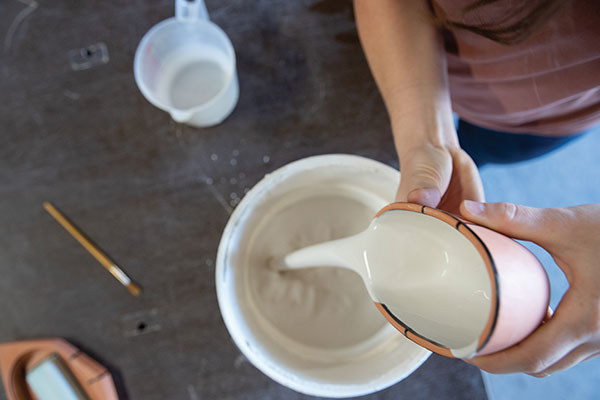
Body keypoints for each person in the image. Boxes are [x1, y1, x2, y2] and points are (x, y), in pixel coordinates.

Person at [354, 0, 600, 377]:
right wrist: (430, 137)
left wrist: (437, 146)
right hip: (416, 60)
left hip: (543, 120)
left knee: (480, 155)